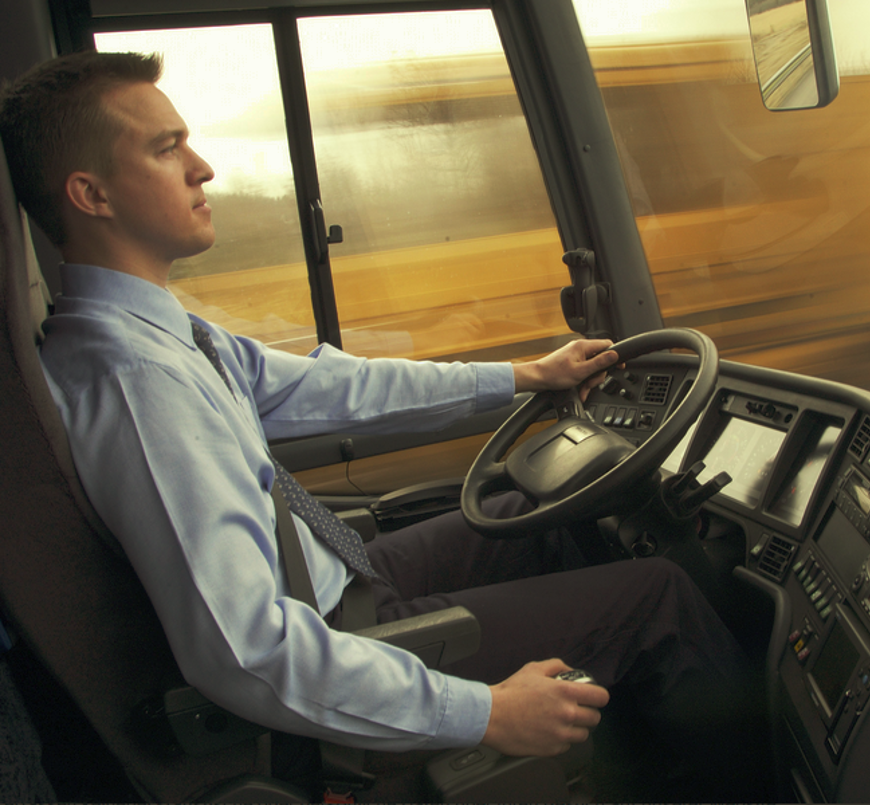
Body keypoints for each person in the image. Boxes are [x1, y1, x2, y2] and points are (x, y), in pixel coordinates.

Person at [0, 49, 759, 797]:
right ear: (91, 194)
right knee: (656, 594)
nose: (203, 168)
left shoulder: (163, 336)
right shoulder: (138, 385)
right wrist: (485, 712)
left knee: (537, 514)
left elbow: (335, 386)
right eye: (168, 149)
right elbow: (248, 651)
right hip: (329, 634)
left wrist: (525, 376)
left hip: (341, 575)